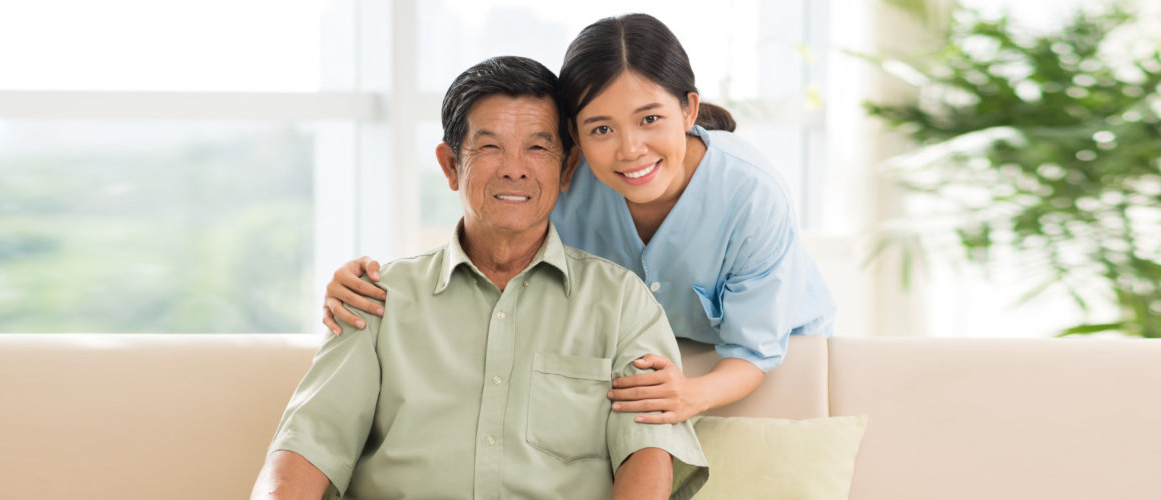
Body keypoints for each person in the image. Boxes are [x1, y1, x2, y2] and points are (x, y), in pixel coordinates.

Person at [321, 13, 835, 425]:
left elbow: (755, 349)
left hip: (764, 358)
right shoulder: (563, 179)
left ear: (688, 109)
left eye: (650, 119)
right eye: (601, 128)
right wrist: (366, 285)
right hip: (637, 355)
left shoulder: (750, 193)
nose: (630, 150)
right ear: (574, 135)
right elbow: (488, 242)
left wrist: (691, 394)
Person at [255, 56, 707, 500]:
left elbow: (647, 457)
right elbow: (306, 449)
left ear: (567, 167)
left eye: (537, 146)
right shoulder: (375, 299)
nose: (514, 168)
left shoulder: (622, 301)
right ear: (451, 166)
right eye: (490, 146)